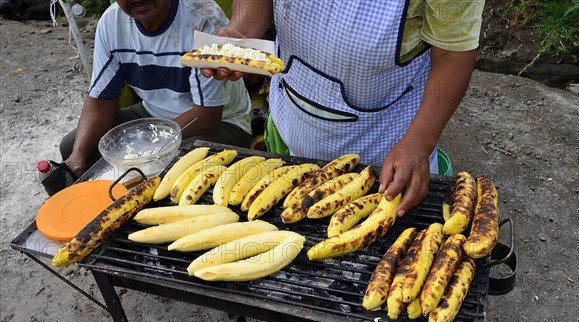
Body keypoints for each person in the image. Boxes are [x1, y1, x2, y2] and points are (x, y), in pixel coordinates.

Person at [203, 0, 485, 217]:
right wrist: (241, 30)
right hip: (292, 128)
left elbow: (452, 54)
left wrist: (419, 144)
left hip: (382, 163)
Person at [61, 0, 253, 178]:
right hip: (155, 115)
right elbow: (101, 102)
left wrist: (142, 145)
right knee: (73, 146)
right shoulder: (111, 23)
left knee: (173, 171)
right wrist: (77, 156)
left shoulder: (203, 17)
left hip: (222, 122)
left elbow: (206, 118)